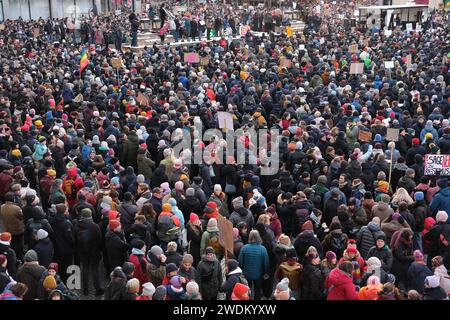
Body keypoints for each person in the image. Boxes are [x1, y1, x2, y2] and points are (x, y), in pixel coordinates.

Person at [238, 230, 269, 300]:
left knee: (246, 290)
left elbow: (240, 261)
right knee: (257, 290)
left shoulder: (244, 247)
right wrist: (266, 272)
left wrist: (240, 271)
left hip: (247, 273)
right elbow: (266, 263)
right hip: (258, 274)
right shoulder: (263, 249)